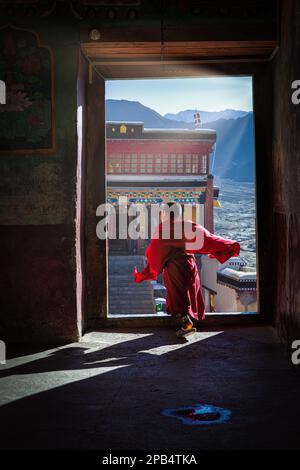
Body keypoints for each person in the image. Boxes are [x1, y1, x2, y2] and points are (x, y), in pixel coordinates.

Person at [133, 202, 240, 338]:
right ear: (179, 214)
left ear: (164, 214)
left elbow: (153, 251)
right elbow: (208, 238)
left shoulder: (163, 229)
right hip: (190, 266)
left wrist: (147, 271)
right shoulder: (188, 226)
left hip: (175, 267)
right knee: (187, 295)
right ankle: (188, 323)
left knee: (179, 298)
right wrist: (229, 246)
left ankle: (186, 324)